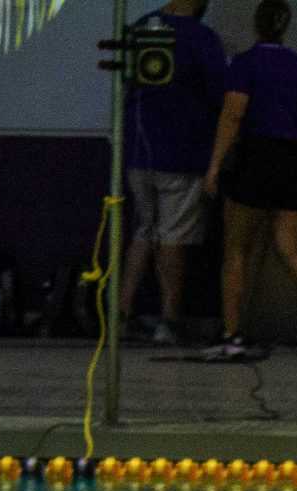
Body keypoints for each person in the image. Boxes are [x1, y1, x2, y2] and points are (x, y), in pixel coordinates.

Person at [202, 0, 297, 362]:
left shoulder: (245, 64)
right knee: (292, 247)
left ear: (256, 26)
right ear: (286, 27)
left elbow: (233, 115)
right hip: (296, 158)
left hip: (258, 156)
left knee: (236, 249)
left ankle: (233, 336)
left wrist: (214, 165)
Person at [119, 0, 226, 345]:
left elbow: (127, 82)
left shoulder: (142, 27)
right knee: (173, 235)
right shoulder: (202, 38)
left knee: (143, 229)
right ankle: (169, 319)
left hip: (138, 150)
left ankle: (120, 312)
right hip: (182, 152)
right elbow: (219, 93)